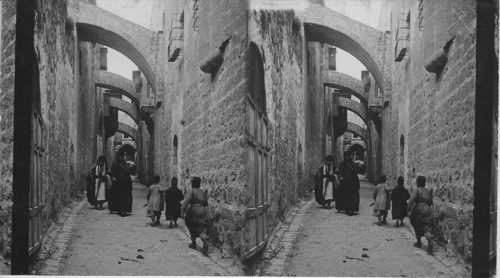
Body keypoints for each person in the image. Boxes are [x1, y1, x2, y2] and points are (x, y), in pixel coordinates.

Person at [181, 177, 210, 256]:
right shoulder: (202, 192)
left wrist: (183, 211)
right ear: (199, 184)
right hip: (203, 210)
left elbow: (186, 202)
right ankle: (204, 238)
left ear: (193, 183)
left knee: (191, 224)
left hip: (194, 210)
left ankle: (194, 243)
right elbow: (205, 203)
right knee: (202, 225)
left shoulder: (191, 191)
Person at [407, 175, 435, 255]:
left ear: (417, 182)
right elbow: (431, 202)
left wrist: (408, 209)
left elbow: (411, 200)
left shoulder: (416, 190)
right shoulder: (427, 191)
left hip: (419, 209)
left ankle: (419, 242)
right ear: (424, 183)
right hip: (428, 209)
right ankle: (429, 237)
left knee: (416, 223)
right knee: (427, 224)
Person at [335, 151, 360, 215]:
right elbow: (338, 171)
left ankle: (351, 208)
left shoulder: (353, 163)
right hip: (344, 182)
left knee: (352, 196)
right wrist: (340, 176)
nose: (347, 157)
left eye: (348, 156)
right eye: (346, 156)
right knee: (343, 194)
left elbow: (356, 171)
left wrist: (350, 167)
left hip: (352, 183)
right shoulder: (342, 163)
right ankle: (343, 208)